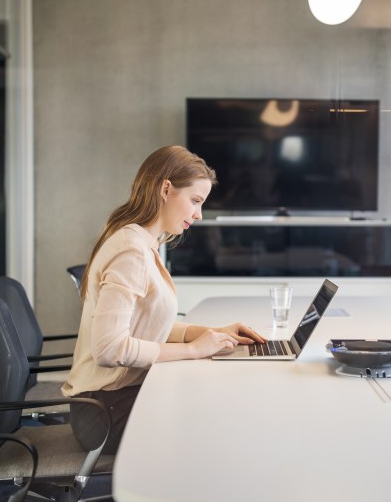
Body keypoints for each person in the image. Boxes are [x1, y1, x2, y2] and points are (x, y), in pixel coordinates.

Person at [62, 145, 265, 453]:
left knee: (219, 395)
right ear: (166, 189)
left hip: (116, 396)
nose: (198, 214)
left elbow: (143, 323)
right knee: (221, 411)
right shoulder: (131, 249)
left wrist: (209, 333)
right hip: (103, 411)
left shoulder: (142, 242)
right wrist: (194, 350)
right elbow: (109, 348)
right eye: (195, 201)